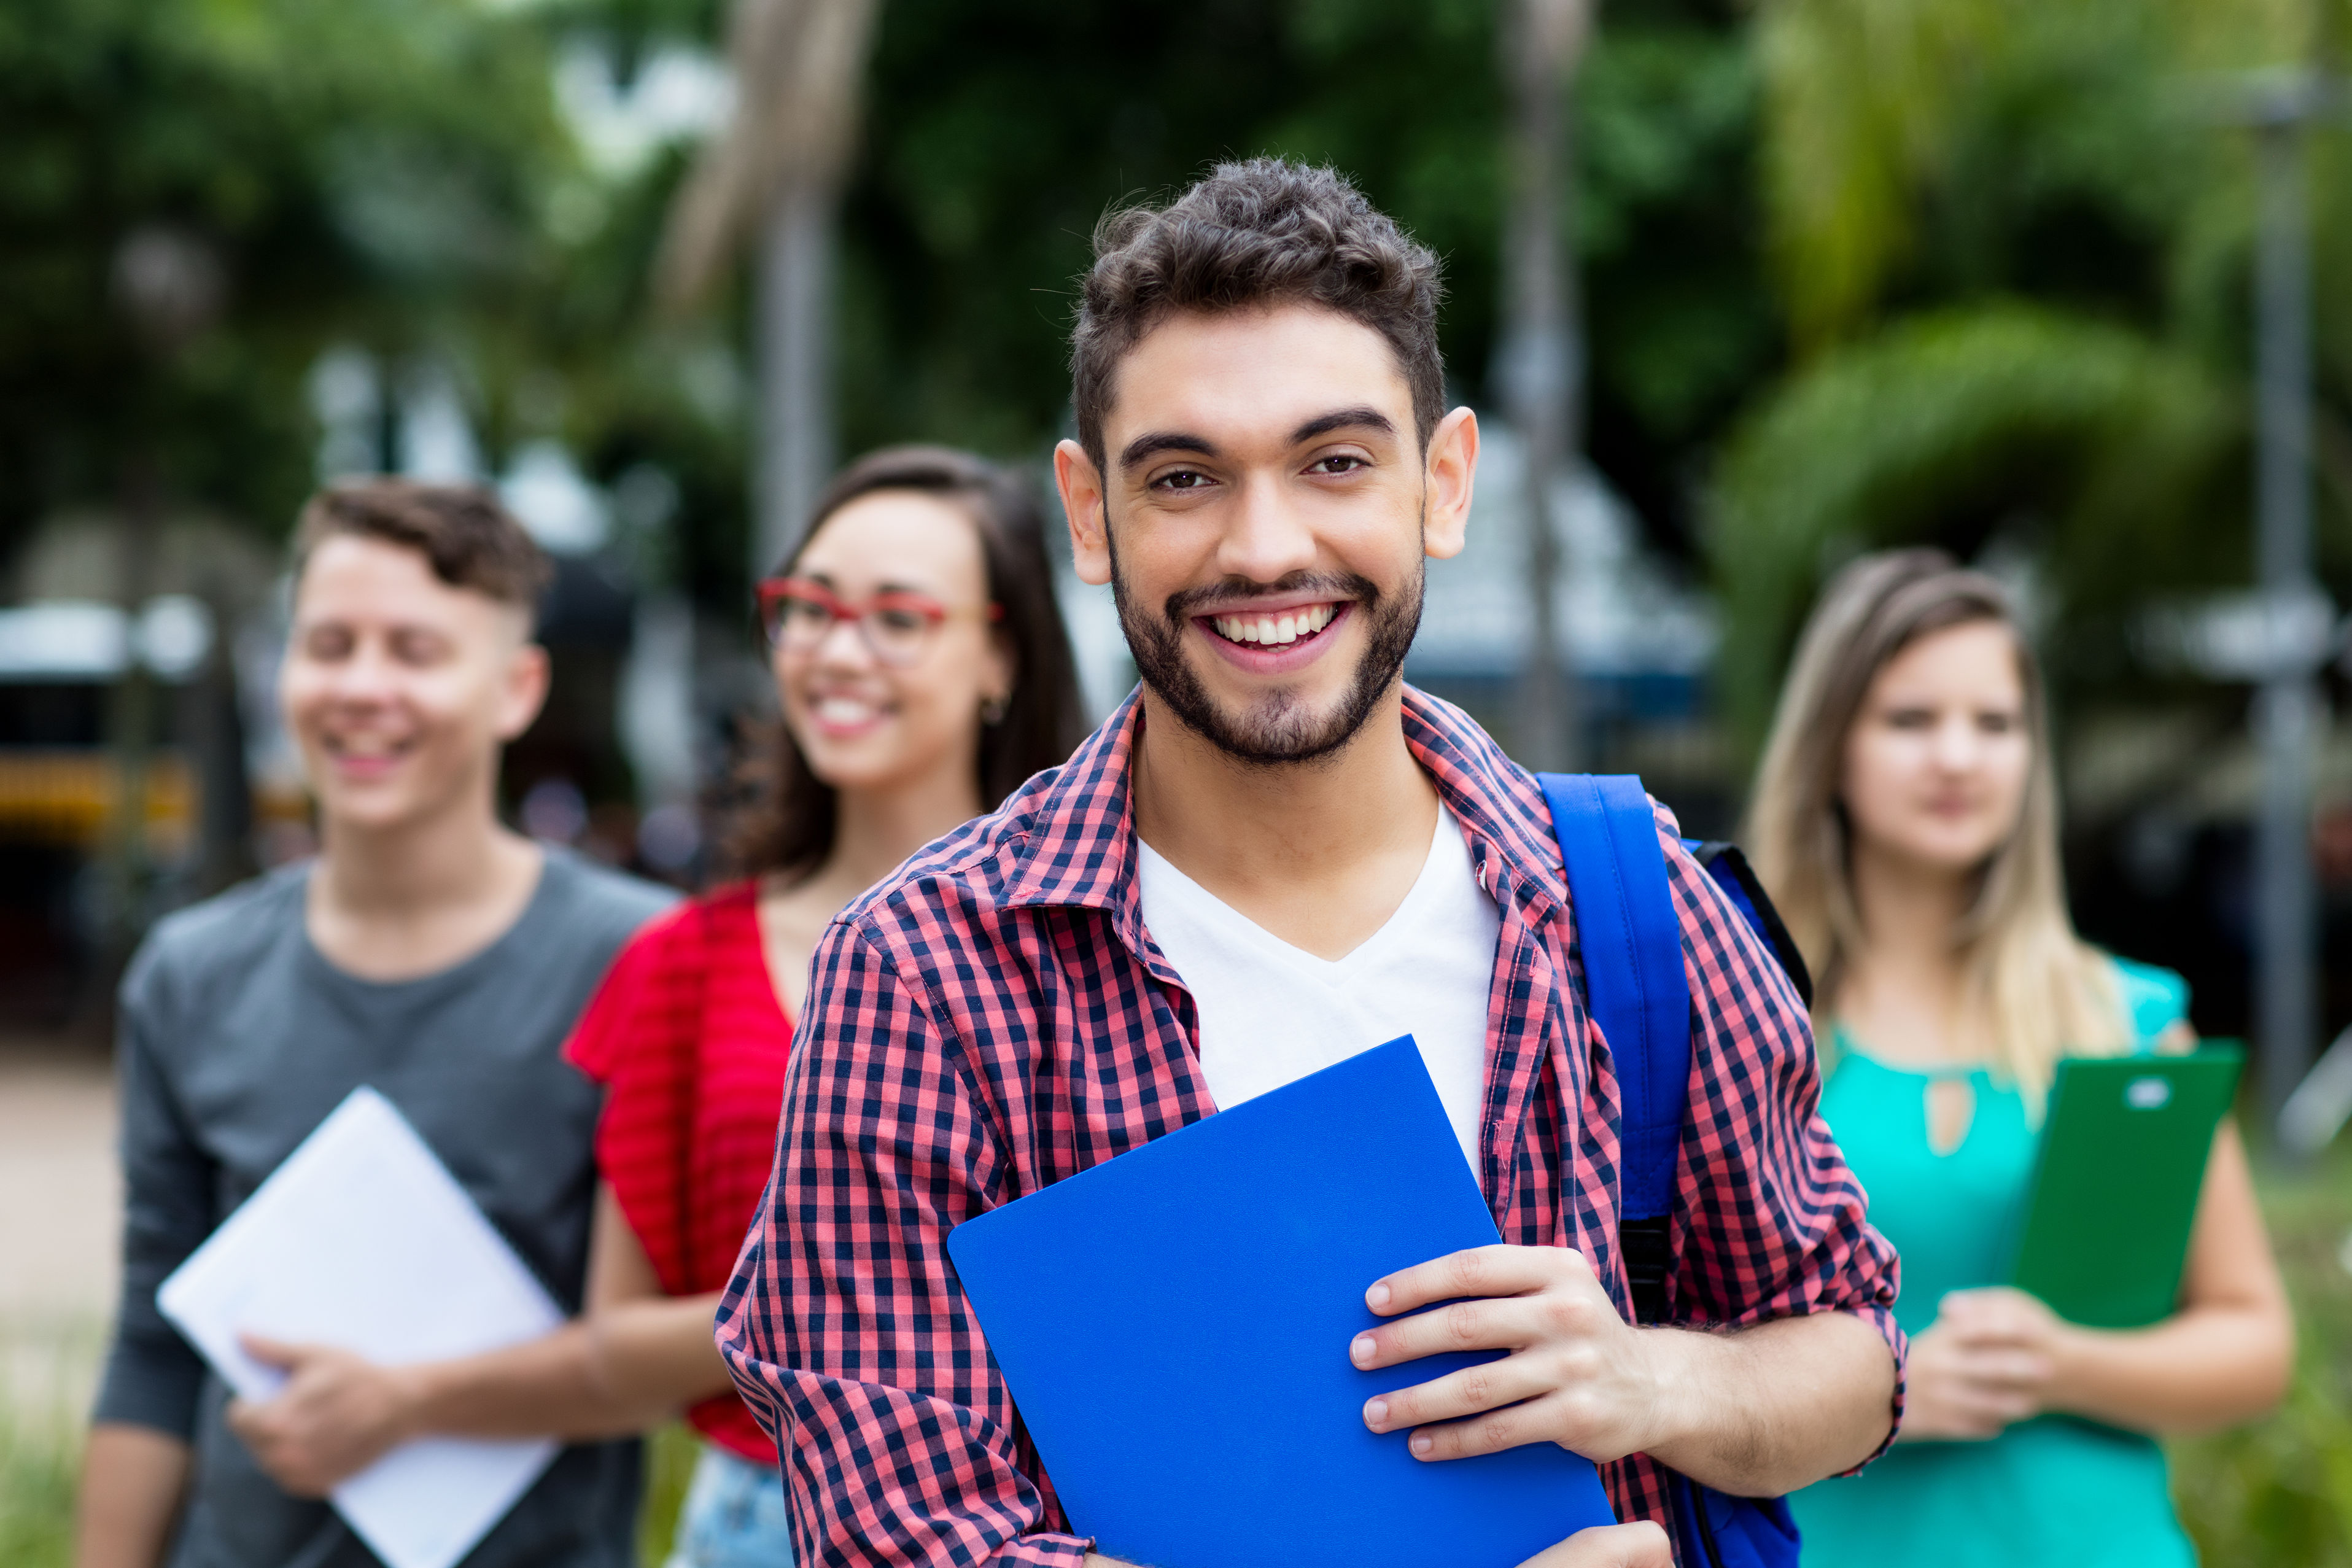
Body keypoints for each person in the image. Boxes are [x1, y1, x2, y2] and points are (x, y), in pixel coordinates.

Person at [715, 158, 1906, 1568]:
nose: (1264, 545)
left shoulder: (1625, 903)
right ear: (1089, 515)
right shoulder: (925, 970)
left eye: (1333, 461)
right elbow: (892, 1542)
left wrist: (1656, 1379)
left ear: (1440, 483)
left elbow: (1849, 1346)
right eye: (1183, 478)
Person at [76, 480, 678, 1568]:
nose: (362, 687)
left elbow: (716, 1331)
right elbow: (154, 1347)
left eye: (414, 650)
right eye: (329, 644)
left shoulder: (644, 961)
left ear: (516, 687)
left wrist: (412, 1401)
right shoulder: (188, 976)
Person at [559, 445, 1089, 1567]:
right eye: (808, 609)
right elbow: (610, 1345)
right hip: (759, 1522)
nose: (838, 653)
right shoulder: (682, 961)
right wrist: (854, 1306)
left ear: (1002, 653)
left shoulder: (1108, 938)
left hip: (1057, 1522)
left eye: (899, 617)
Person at [1749, 550, 2294, 1566]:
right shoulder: (1740, 1024)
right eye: (1911, 720)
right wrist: (1876, 1396)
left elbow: (2253, 1343)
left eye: (1995, 724)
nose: (1958, 757)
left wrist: (2063, 1364)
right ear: (1832, 747)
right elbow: (1658, 1344)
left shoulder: (2126, 1021)